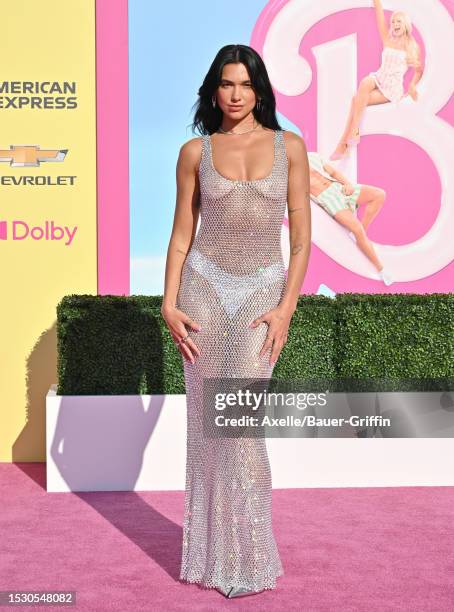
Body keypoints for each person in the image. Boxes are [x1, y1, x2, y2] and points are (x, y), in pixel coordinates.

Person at [161, 44, 310, 598]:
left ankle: (250, 555)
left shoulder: (289, 147)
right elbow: (181, 237)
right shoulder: (193, 153)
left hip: (260, 299)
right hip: (202, 294)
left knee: (240, 427)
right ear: (214, 90)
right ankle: (210, 555)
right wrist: (168, 303)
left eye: (245, 85)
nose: (236, 94)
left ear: (261, 90)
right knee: (208, 432)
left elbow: (301, 240)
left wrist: (286, 308)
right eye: (226, 84)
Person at [330, 0, 423, 160]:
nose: (394, 24)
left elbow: (418, 69)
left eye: (398, 21)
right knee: (365, 82)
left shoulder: (411, 46)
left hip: (391, 89)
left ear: (406, 24)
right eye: (393, 21)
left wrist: (412, 85)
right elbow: (379, 12)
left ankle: (343, 144)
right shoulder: (388, 39)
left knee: (355, 100)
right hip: (379, 77)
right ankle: (354, 131)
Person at [308, 151, 393, 285]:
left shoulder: (312, 156)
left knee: (379, 194)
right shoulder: (288, 173)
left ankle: (361, 234)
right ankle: (381, 268)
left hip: (339, 188)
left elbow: (334, 173)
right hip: (328, 199)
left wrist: (347, 184)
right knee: (357, 229)